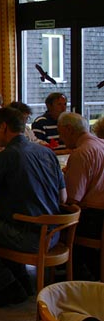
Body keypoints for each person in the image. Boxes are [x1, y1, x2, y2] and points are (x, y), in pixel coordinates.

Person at [0, 107, 66, 307]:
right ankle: (21, 280)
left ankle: (8, 285)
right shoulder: (47, 153)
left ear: (4, 127)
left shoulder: (7, 157)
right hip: (54, 233)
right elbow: (63, 196)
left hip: (29, 235)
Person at [58, 112, 104, 279]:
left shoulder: (81, 153)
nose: (61, 138)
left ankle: (70, 268)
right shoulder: (101, 144)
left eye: (60, 132)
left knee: (51, 216)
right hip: (100, 214)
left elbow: (72, 198)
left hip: (92, 219)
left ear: (69, 129)